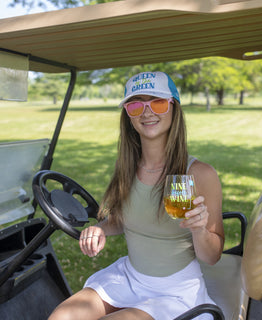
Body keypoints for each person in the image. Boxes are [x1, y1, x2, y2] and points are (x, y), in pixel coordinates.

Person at [48, 71, 224, 320]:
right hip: (130, 278)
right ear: (128, 115)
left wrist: (199, 230)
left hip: (174, 290)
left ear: (174, 109)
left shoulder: (199, 174)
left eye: (158, 102)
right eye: (135, 105)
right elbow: (123, 219)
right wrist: (101, 229)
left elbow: (213, 256)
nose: (147, 112)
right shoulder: (128, 167)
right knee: (62, 317)